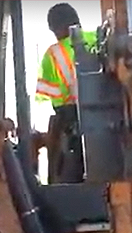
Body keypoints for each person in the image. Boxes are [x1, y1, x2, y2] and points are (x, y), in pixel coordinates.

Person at [34, 3, 98, 183]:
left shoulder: (52, 55)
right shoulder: (99, 39)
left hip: (75, 130)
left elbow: (56, 104)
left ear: (56, 28)